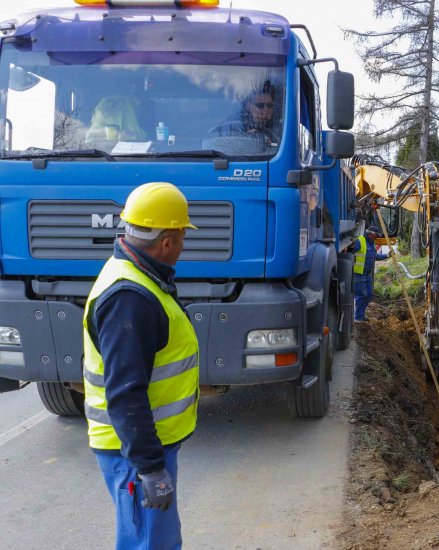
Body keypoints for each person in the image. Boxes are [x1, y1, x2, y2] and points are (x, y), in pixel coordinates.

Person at [83, 182, 199, 550]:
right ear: (167, 242)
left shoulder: (137, 275)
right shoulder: (129, 298)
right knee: (150, 545)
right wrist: (150, 468)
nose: (183, 246)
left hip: (142, 446)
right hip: (133, 452)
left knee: (158, 541)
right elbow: (125, 393)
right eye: (182, 238)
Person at [206, 82, 281, 147]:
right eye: (260, 105)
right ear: (249, 106)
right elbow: (220, 144)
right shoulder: (232, 125)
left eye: (269, 106)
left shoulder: (281, 126)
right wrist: (244, 137)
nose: (265, 110)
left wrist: (272, 144)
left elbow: (282, 147)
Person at [353, 226, 389, 322]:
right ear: (370, 234)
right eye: (376, 236)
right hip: (358, 274)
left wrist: (387, 255)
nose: (376, 238)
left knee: (369, 295)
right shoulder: (359, 241)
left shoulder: (371, 243)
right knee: (361, 295)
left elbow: (374, 256)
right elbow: (349, 253)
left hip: (367, 274)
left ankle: (361, 314)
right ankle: (358, 318)